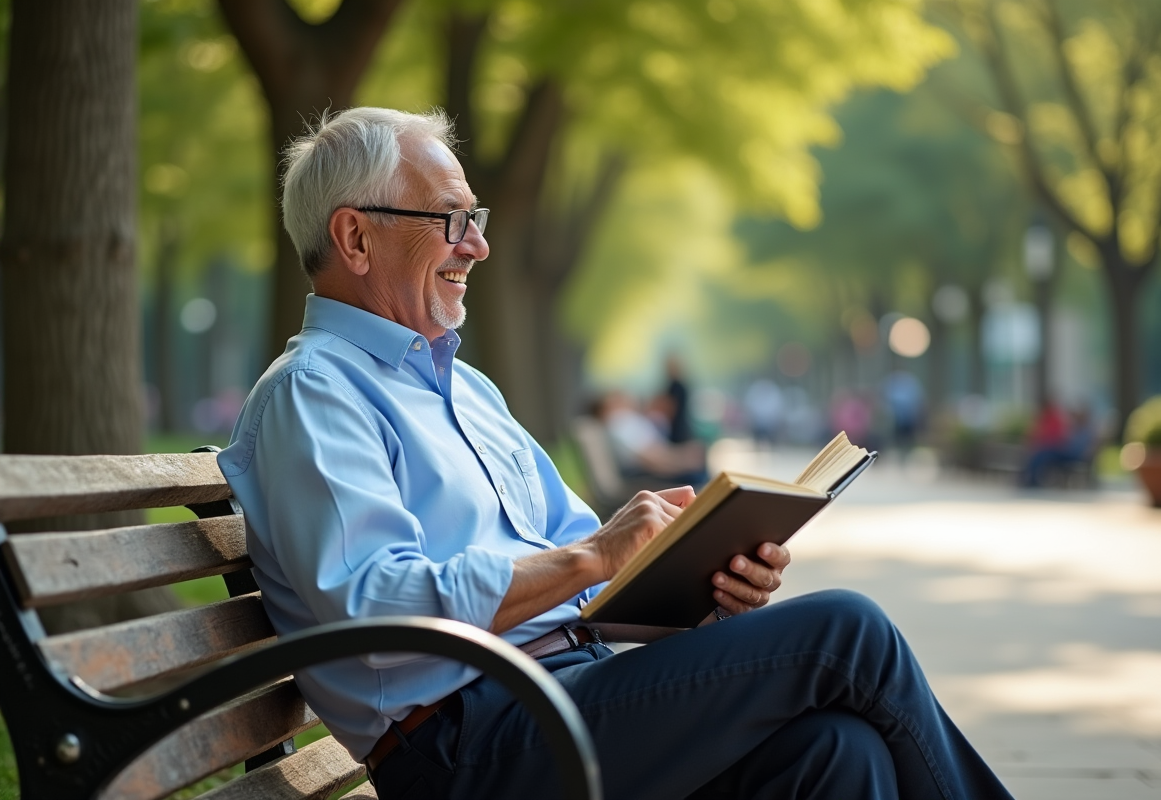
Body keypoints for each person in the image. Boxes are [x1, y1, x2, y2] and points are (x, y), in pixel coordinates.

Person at [219, 107, 1015, 800]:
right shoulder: (314, 393)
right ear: (355, 237)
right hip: (469, 748)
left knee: (836, 753)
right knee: (848, 630)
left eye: (478, 220)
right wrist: (590, 556)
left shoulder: (469, 391)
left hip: (568, 694)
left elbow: (593, 581)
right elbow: (374, 609)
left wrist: (705, 588)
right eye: (451, 221)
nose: (478, 248)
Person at [594, 389, 708, 486]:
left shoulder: (624, 422)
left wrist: (683, 456)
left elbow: (655, 452)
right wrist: (683, 464)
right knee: (696, 476)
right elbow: (648, 460)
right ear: (607, 407)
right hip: (641, 476)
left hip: (647, 471)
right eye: (616, 399)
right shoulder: (619, 423)